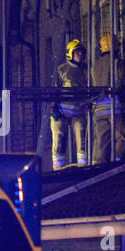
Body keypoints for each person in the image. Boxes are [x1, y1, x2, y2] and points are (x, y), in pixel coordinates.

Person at [91, 33, 125, 164]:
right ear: (116, 47)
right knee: (124, 138)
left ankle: (100, 170)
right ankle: (119, 165)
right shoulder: (117, 63)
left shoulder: (95, 66)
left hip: (99, 112)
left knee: (102, 143)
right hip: (116, 109)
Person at [51, 39, 89, 169]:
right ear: (70, 54)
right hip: (61, 113)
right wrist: (53, 108)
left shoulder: (86, 70)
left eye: (82, 53)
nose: (80, 55)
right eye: (77, 53)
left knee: (83, 141)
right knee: (60, 141)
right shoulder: (62, 70)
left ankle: (83, 168)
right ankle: (58, 169)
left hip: (79, 112)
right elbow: (54, 90)